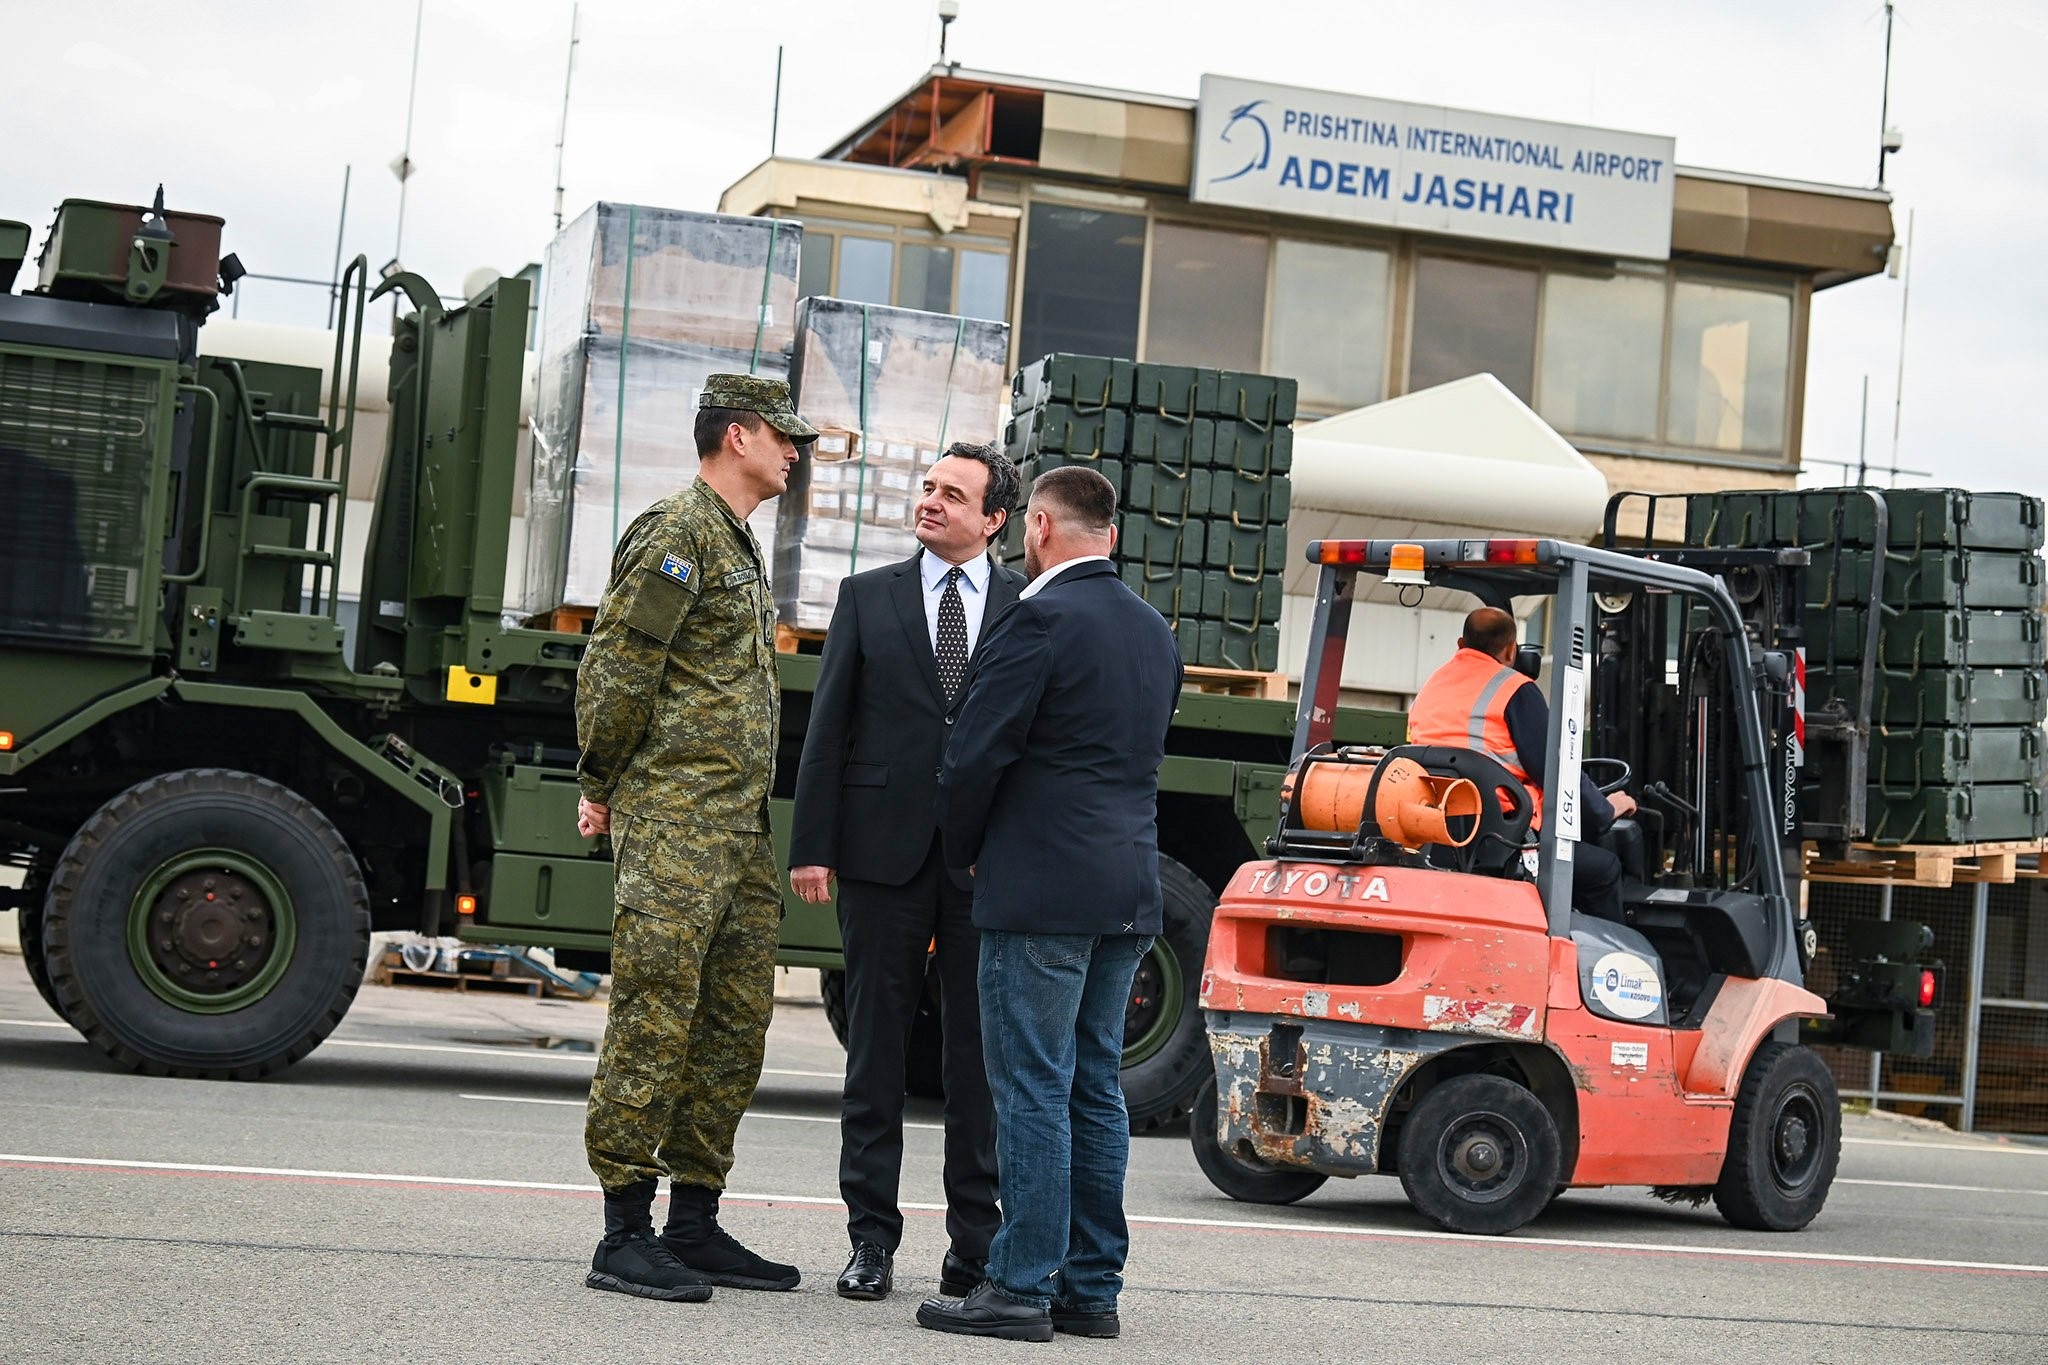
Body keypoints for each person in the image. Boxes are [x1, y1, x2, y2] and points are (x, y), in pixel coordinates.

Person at [919, 465, 1183, 1343]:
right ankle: (1091, 1286)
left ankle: (1021, 1283)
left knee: (1029, 1085)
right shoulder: (1154, 633)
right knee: (1093, 1087)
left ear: (1037, 527)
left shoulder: (1034, 617)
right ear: (1107, 531)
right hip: (1126, 889)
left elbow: (975, 756)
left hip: (1038, 889)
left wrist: (963, 855)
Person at [574, 374, 818, 1303]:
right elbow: (618, 666)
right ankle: (624, 1232)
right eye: (785, 438)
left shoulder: (734, 540)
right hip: (676, 823)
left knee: (730, 1026)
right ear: (741, 434)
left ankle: (694, 1222)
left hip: (736, 831)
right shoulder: (677, 530)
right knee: (655, 1014)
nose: (794, 454)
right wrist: (602, 780)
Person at [787, 441, 1025, 1302]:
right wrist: (813, 844)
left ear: (994, 518)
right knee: (875, 1054)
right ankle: (870, 1240)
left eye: (952, 494)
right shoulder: (868, 596)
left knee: (976, 1058)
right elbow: (829, 730)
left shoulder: (1024, 605)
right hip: (880, 854)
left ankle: (974, 1244)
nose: (931, 501)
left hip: (983, 861)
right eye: (928, 487)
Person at [1406, 606, 1637, 921]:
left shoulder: (1429, 688)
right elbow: (1555, 768)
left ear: (1461, 644)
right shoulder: (1514, 689)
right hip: (1502, 838)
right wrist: (1605, 809)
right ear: (1511, 650)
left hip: (1436, 830)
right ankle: (1611, 964)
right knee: (1604, 870)